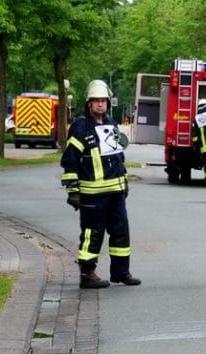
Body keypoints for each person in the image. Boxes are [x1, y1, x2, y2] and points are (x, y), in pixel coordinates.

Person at [60, 80, 141, 289]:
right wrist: (72, 190)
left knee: (121, 231)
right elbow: (70, 160)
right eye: (96, 100)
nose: (100, 104)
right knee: (92, 234)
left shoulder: (111, 124)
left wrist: (124, 181)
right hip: (92, 194)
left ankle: (121, 272)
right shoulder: (80, 127)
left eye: (103, 100)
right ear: (89, 103)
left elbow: (117, 156)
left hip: (116, 191)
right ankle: (87, 273)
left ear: (107, 102)